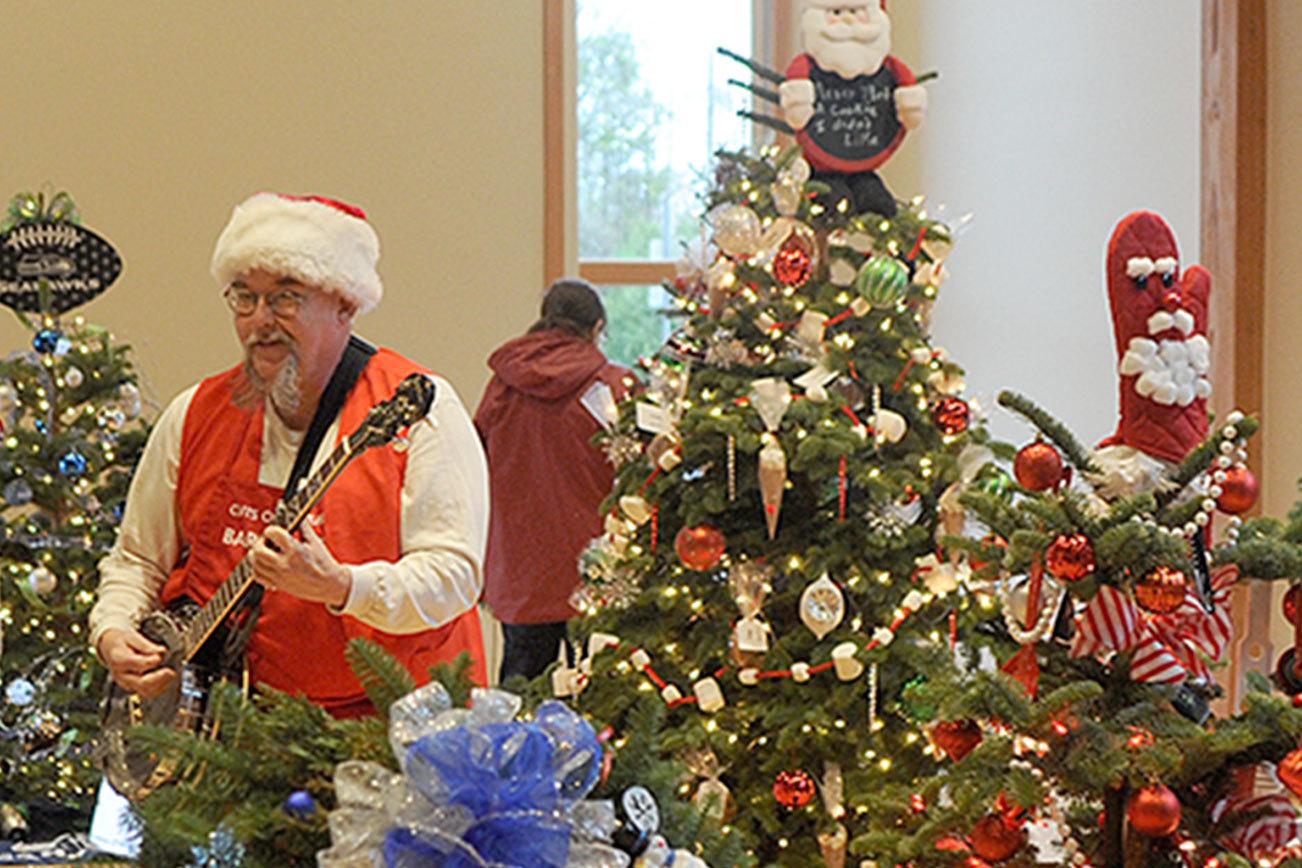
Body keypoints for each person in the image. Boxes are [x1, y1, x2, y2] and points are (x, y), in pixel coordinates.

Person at [89, 192, 489, 718]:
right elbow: (139, 560)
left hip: (392, 725)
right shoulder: (195, 413)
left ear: (345, 304)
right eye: (244, 297)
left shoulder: (419, 411)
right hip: (231, 733)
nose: (260, 321)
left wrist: (343, 587)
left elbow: (454, 575)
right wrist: (113, 628)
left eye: (285, 297)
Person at [474, 279, 632, 682]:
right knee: (599, 692)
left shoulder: (503, 387)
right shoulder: (613, 387)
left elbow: (475, 459)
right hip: (597, 566)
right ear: (597, 328)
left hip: (521, 570)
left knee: (522, 691)